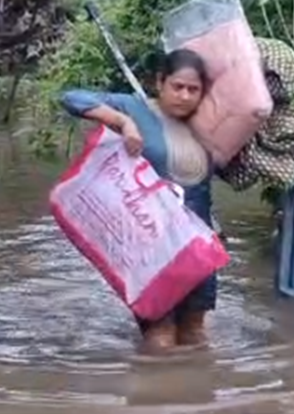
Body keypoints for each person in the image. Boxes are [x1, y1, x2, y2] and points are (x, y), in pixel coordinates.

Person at [60, 49, 217, 353]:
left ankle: (200, 396)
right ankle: (154, 396)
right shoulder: (135, 108)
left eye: (193, 90)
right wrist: (122, 122)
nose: (184, 96)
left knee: (195, 333)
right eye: (178, 87)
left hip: (197, 246)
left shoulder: (209, 125)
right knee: (159, 336)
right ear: (160, 82)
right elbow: (72, 98)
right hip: (148, 249)